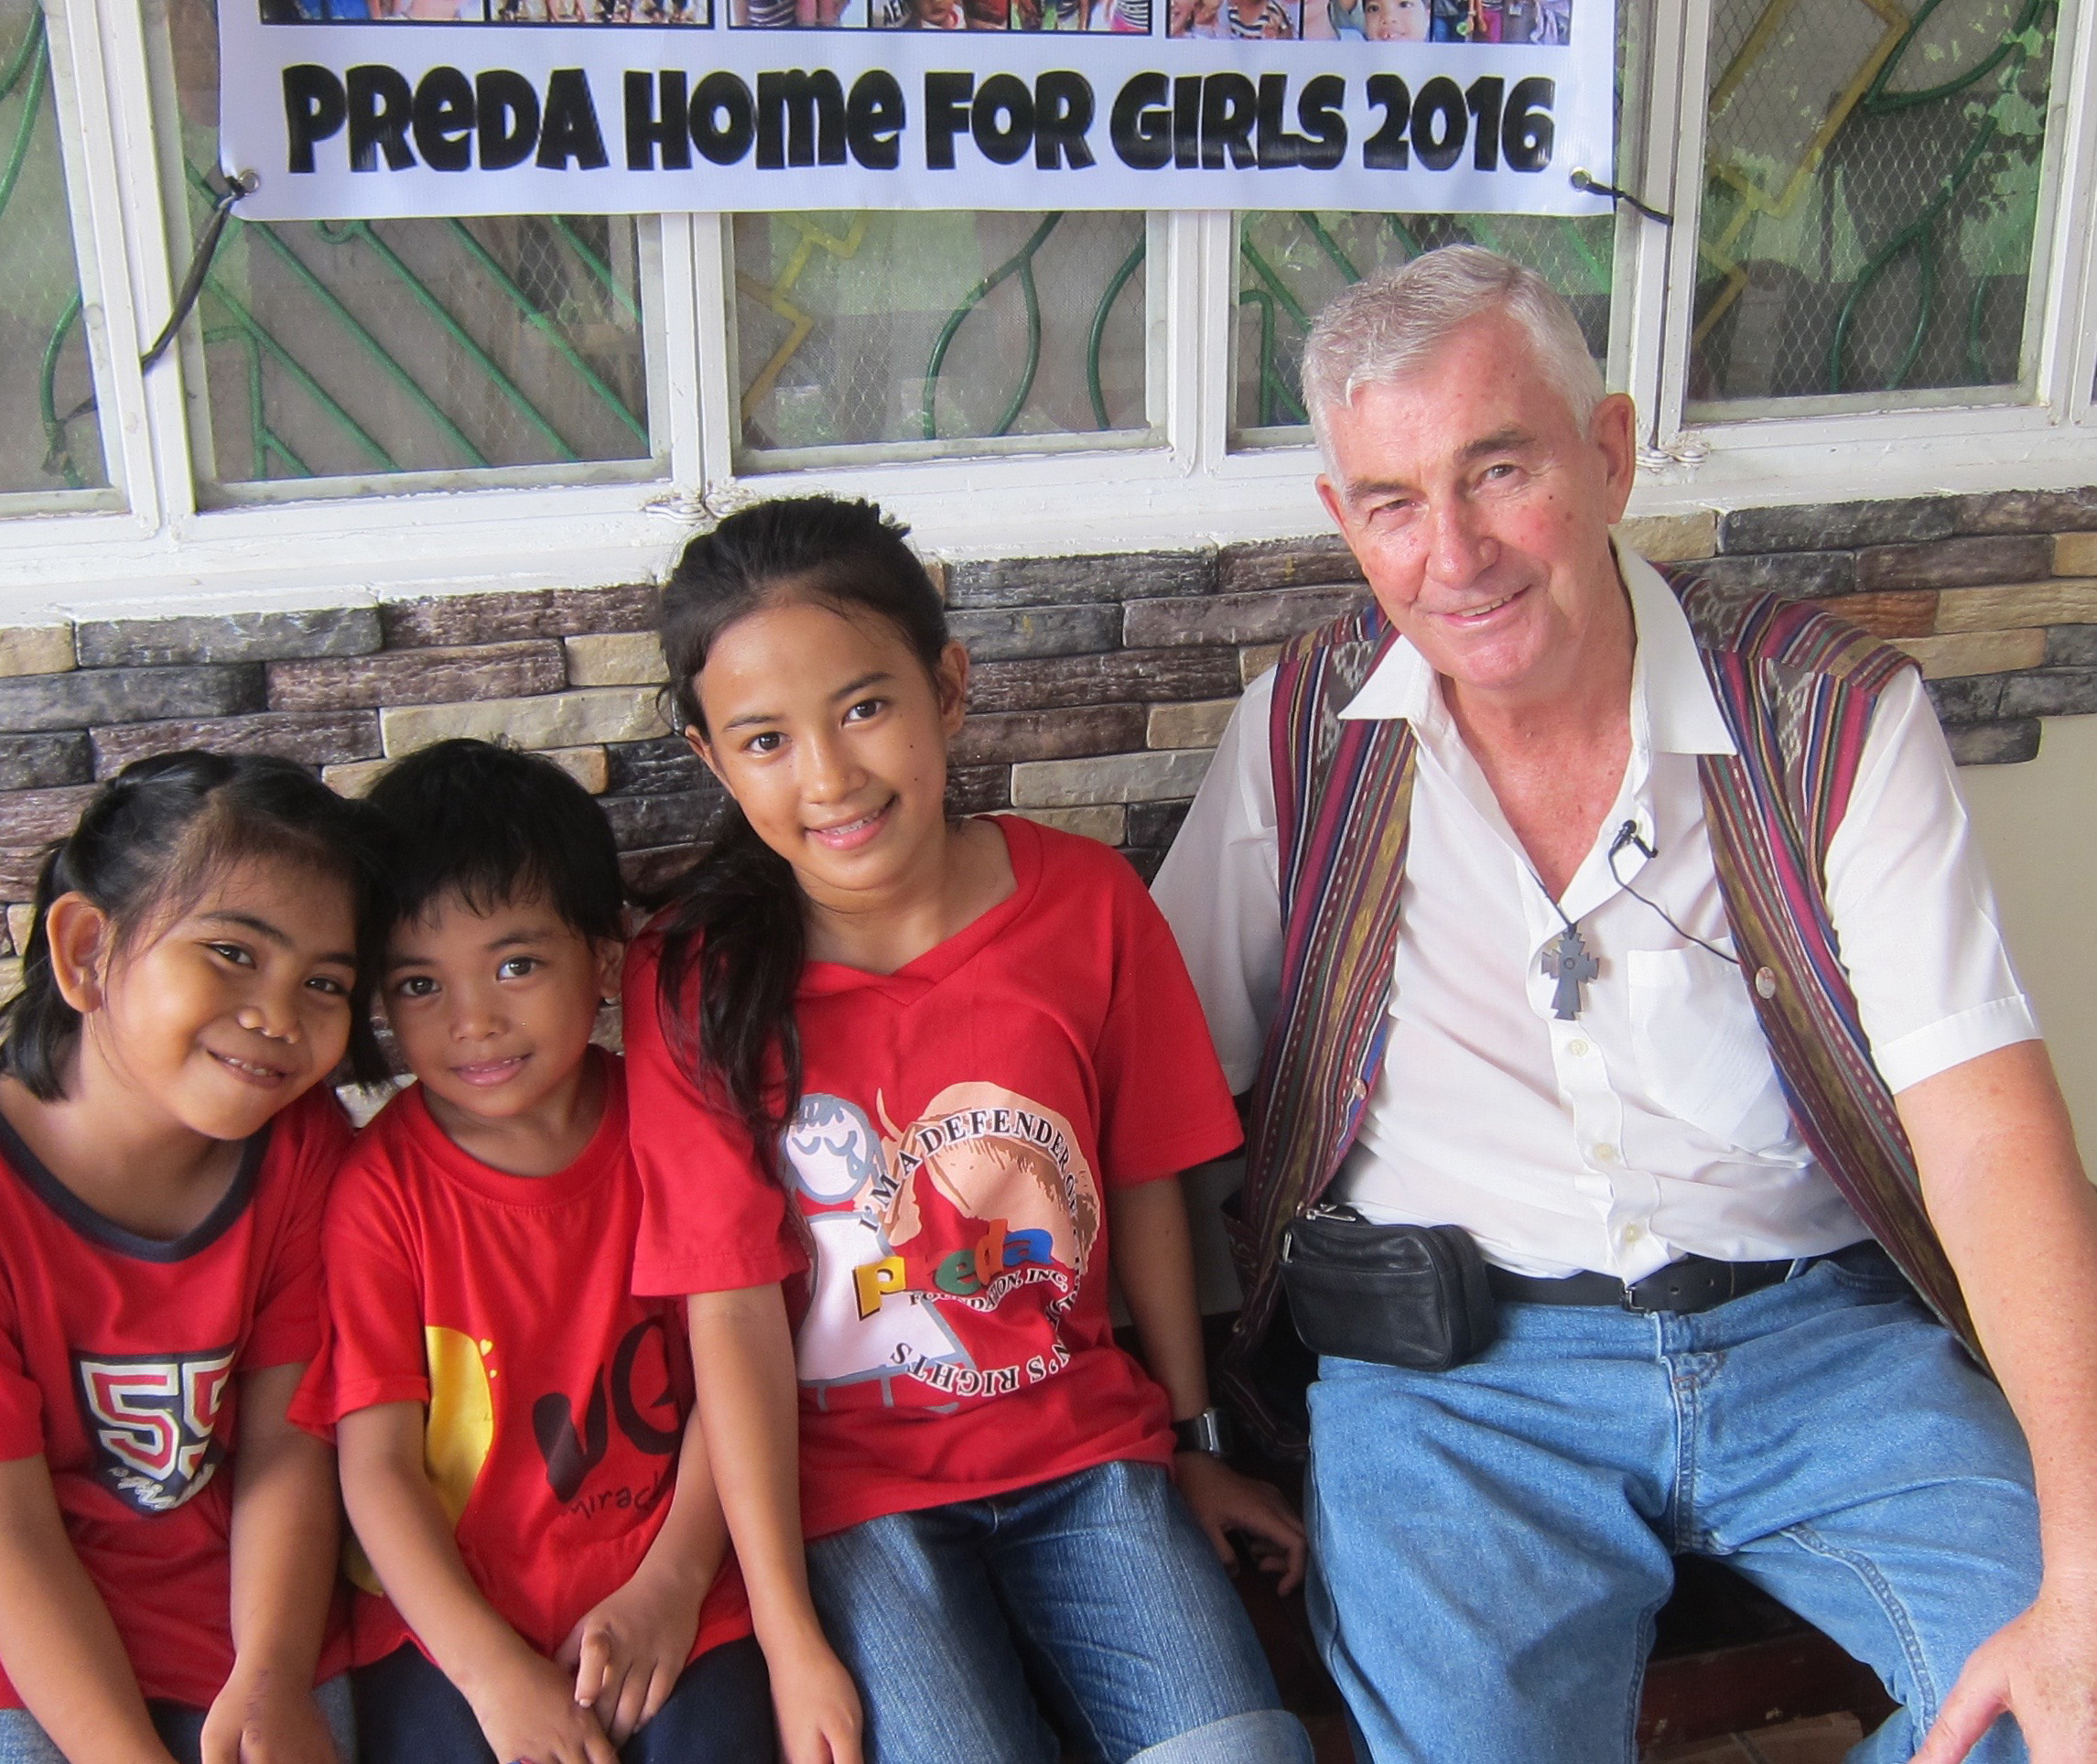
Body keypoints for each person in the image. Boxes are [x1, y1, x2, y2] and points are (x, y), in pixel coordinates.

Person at [1153, 243, 2097, 1764]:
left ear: (1602, 453)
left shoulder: (1824, 717)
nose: (1451, 554)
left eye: (1497, 469)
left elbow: (1985, 1137)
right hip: (1451, 1380)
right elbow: (1156, 1091)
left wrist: (2083, 1578)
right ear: (1343, 521)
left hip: (1820, 1340)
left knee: (2054, 1701)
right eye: (1391, 502)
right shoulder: (1305, 734)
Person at [623, 495, 1315, 1764]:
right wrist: (788, 1638)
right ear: (712, 757)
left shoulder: (1087, 905)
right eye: (766, 738)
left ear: (947, 684)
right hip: (849, 1502)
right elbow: (726, 1312)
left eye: (863, 706)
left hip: (1084, 1456)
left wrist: (1189, 1440)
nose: (827, 776)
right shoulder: (694, 977)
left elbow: (1146, 1184)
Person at [0, 752, 377, 1764]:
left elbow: (284, 1449)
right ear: (87, 950)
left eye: (326, 982)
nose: (277, 1013)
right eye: (231, 953)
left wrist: (268, 1671)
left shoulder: (305, 1151)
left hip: (232, 1618)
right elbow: (5, 1538)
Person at [303, 741, 767, 1764]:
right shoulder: (377, 1191)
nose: (473, 1021)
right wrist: (489, 1670)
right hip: (446, 1623)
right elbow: (375, 1466)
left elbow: (731, 1383)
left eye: (516, 964)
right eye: (419, 983)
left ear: (602, 959)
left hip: (675, 1575)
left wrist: (675, 1582)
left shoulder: (669, 1123)